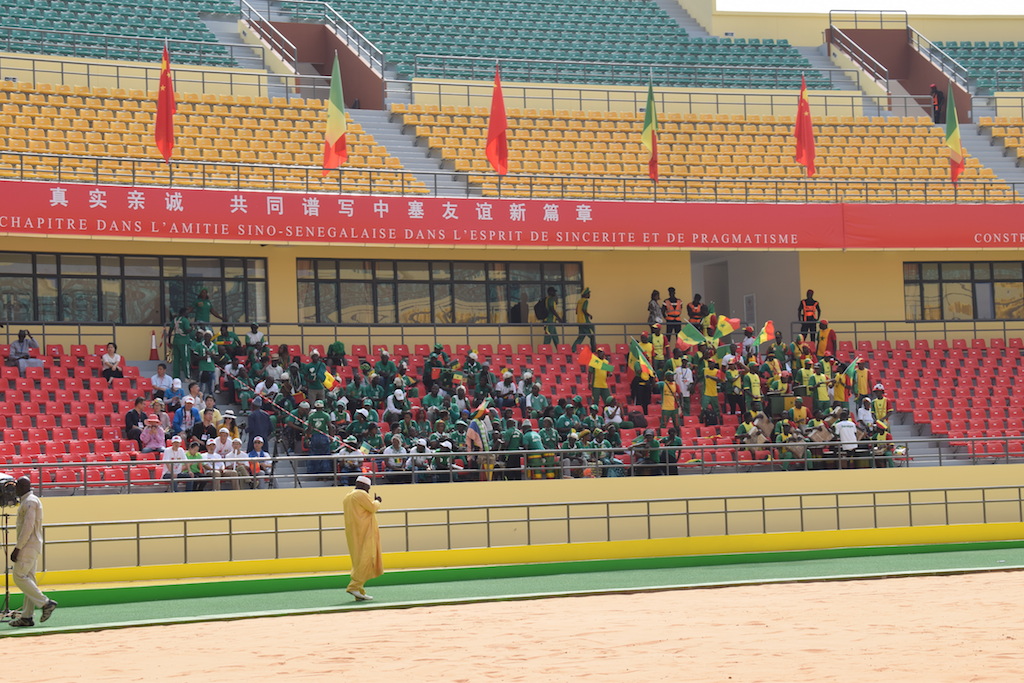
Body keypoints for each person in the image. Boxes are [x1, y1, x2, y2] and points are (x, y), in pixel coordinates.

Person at [8, 476, 58, 628]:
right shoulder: (28, 500)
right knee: (29, 579)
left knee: (19, 576)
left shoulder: (30, 502)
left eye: (17, 486)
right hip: (31, 545)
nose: (15, 489)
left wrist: (18, 547)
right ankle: (27, 617)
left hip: (27, 546)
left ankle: (46, 603)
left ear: (23, 487)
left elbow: (28, 527)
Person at [342, 475, 383, 601]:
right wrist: (378, 501)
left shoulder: (348, 496)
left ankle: (360, 591)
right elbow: (372, 507)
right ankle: (354, 586)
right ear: (365, 486)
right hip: (364, 532)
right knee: (366, 558)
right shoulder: (360, 494)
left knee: (359, 560)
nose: (368, 491)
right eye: (368, 488)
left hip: (354, 533)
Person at [167, 308, 193, 380]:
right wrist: (192, 328)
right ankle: (187, 377)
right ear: (184, 313)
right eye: (187, 312)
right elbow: (187, 330)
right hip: (183, 342)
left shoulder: (175, 320)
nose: (187, 313)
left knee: (176, 360)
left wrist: (169, 341)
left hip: (175, 341)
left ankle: (176, 377)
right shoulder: (185, 320)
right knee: (185, 359)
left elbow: (170, 331)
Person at [571, 288, 596, 353]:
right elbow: (584, 310)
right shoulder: (585, 301)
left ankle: (573, 349)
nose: (589, 295)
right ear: (585, 294)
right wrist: (589, 315)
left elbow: (576, 311)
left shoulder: (579, 301)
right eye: (588, 293)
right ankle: (594, 349)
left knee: (581, 337)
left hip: (579, 321)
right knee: (592, 335)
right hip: (585, 321)